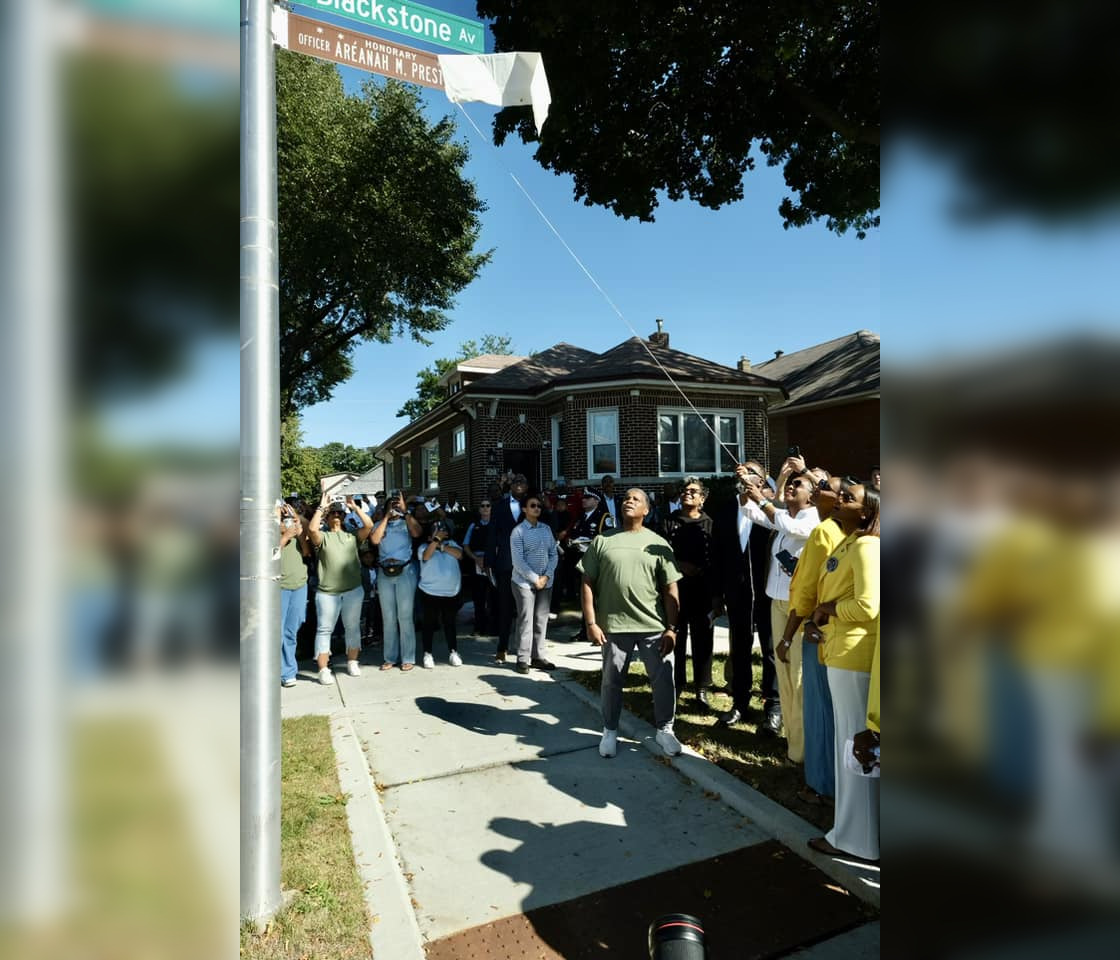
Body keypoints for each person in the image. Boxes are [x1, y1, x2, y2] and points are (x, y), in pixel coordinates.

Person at [807, 481, 881, 863]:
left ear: (866, 512)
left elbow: (869, 605)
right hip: (842, 653)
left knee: (856, 748)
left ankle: (858, 841)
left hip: (854, 657)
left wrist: (829, 610)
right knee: (853, 746)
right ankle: (854, 832)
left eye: (848, 498)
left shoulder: (868, 546)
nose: (839, 499)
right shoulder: (852, 541)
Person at [580, 488, 683, 758]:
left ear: (646, 510)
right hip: (613, 627)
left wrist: (672, 628)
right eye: (626, 497)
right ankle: (610, 730)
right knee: (611, 681)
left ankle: (665, 730)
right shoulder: (602, 541)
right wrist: (591, 622)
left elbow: (671, 589)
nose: (629, 501)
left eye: (636, 499)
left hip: (653, 626)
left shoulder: (658, 543)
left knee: (662, 681)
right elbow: (587, 582)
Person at [739, 470, 821, 762]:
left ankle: (804, 750)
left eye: (798, 484)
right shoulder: (785, 514)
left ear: (811, 494)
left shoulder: (814, 520)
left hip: (800, 608)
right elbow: (751, 511)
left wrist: (763, 499)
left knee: (797, 675)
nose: (791, 487)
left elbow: (785, 524)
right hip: (777, 602)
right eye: (791, 482)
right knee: (783, 671)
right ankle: (792, 739)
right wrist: (747, 487)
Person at [781, 474, 846, 804]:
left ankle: (821, 785)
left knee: (819, 709)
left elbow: (806, 591)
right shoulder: (857, 533)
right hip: (844, 633)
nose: (816, 492)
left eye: (822, 488)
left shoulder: (824, 532)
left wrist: (787, 636)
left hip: (816, 629)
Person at [711, 461, 781, 734]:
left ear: (763, 482)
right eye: (743, 471)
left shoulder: (772, 511)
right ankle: (740, 703)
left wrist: (763, 497)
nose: (745, 475)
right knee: (739, 647)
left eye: (753, 472)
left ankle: (773, 708)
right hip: (737, 591)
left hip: (768, 592)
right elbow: (716, 554)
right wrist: (716, 594)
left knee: (770, 650)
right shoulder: (727, 510)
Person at [307, 495, 374, 684]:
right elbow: (312, 528)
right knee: (324, 629)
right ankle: (323, 669)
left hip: (353, 590)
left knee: (352, 628)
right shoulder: (324, 537)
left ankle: (352, 661)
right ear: (327, 519)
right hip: (328, 592)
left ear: (344, 517)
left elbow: (368, 526)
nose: (336, 515)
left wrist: (354, 507)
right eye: (333, 513)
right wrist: (322, 507)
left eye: (339, 513)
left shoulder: (351, 536)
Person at [663, 477, 716, 709]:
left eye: (694, 491)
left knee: (703, 639)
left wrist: (716, 594)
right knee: (677, 637)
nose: (688, 494)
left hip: (702, 590)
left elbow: (716, 558)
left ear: (702, 499)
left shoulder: (710, 524)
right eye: (685, 490)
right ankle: (676, 684)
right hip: (675, 589)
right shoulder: (668, 522)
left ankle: (701, 689)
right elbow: (661, 553)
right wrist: (681, 566)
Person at [370, 489, 424, 671]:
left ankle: (408, 657)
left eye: (396, 506)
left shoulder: (406, 522)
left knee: (405, 616)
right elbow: (375, 540)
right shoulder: (379, 524)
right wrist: (386, 518)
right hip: (385, 573)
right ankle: (390, 658)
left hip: (405, 572)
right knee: (389, 617)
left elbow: (417, 533)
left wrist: (405, 511)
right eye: (391, 506)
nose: (394, 509)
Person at [510, 493, 560, 674]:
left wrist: (546, 576)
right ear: (524, 509)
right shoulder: (517, 532)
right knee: (526, 620)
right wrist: (534, 579)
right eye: (533, 505)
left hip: (545, 582)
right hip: (523, 583)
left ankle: (538, 657)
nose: (537, 508)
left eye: (539, 506)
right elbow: (518, 561)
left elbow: (554, 554)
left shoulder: (546, 529)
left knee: (541, 620)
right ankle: (522, 659)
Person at [489, 473, 529, 662]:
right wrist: (489, 561)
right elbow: (491, 535)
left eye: (523, 481)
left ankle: (526, 649)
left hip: (529, 566)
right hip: (505, 564)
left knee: (527, 609)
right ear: (510, 486)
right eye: (516, 482)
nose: (519, 484)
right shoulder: (499, 507)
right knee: (505, 608)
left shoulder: (533, 505)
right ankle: (502, 647)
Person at [418, 520, 464, 668]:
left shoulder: (453, 545)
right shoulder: (423, 547)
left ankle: (453, 652)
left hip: (450, 592)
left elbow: (459, 555)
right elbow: (426, 556)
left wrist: (442, 545)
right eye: (435, 530)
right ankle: (427, 653)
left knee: (449, 623)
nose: (439, 532)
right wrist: (435, 541)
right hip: (429, 592)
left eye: (442, 530)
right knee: (429, 624)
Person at [566, 488, 610, 641]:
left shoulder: (604, 517)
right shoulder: (580, 517)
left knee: (598, 598)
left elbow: (607, 540)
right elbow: (573, 535)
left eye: (588, 498)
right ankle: (585, 630)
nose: (584, 500)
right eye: (583, 498)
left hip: (597, 563)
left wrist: (586, 543)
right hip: (580, 562)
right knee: (584, 597)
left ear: (596, 501)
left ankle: (602, 630)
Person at [279, 501, 310, 687]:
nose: (287, 521)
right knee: (278, 632)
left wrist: (298, 534)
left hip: (299, 585)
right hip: (279, 586)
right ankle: (284, 671)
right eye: (284, 518)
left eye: (289, 517)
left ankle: (288, 669)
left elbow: (307, 553)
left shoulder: (297, 530)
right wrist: (284, 537)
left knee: (292, 630)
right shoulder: (270, 531)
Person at [462, 499, 497, 635]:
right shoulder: (473, 525)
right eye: (482, 506)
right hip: (477, 563)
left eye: (488, 505)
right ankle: (479, 627)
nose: (485, 508)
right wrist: (476, 559)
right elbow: (465, 545)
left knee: (494, 596)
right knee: (479, 597)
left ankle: (494, 628)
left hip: (492, 564)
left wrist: (490, 559)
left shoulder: (496, 525)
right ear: (479, 509)